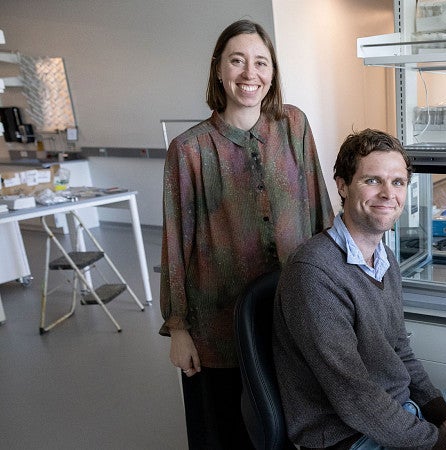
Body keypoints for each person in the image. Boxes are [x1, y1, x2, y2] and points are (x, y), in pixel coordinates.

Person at [273, 129, 446, 450]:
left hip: (399, 410)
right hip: (349, 435)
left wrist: (445, 420)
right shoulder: (315, 273)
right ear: (343, 185)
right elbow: (355, 396)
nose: (389, 194)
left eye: (398, 182)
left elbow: (399, 350)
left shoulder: (384, 257)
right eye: (372, 180)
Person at [160, 19, 333, 449]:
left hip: (290, 311)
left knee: (291, 425)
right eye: (237, 61)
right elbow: (176, 243)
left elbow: (320, 210)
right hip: (219, 324)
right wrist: (178, 327)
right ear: (219, 68)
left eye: (261, 62)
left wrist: (335, 286)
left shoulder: (294, 126)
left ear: (272, 72)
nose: (249, 74)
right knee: (228, 429)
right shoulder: (190, 150)